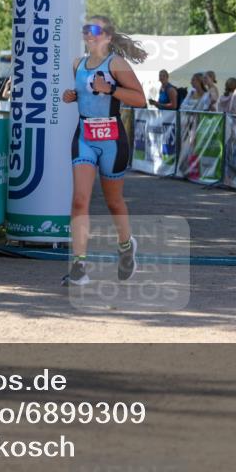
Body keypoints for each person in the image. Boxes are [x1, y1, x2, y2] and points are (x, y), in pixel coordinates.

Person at [61, 15, 147, 287]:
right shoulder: (77, 64)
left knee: (113, 202)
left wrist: (110, 88)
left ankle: (125, 246)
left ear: (108, 37)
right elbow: (81, 93)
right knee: (79, 200)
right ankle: (79, 265)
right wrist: (71, 96)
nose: (89, 34)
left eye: (95, 30)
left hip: (111, 139)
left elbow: (140, 99)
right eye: (86, 29)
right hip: (85, 136)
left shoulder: (117, 64)